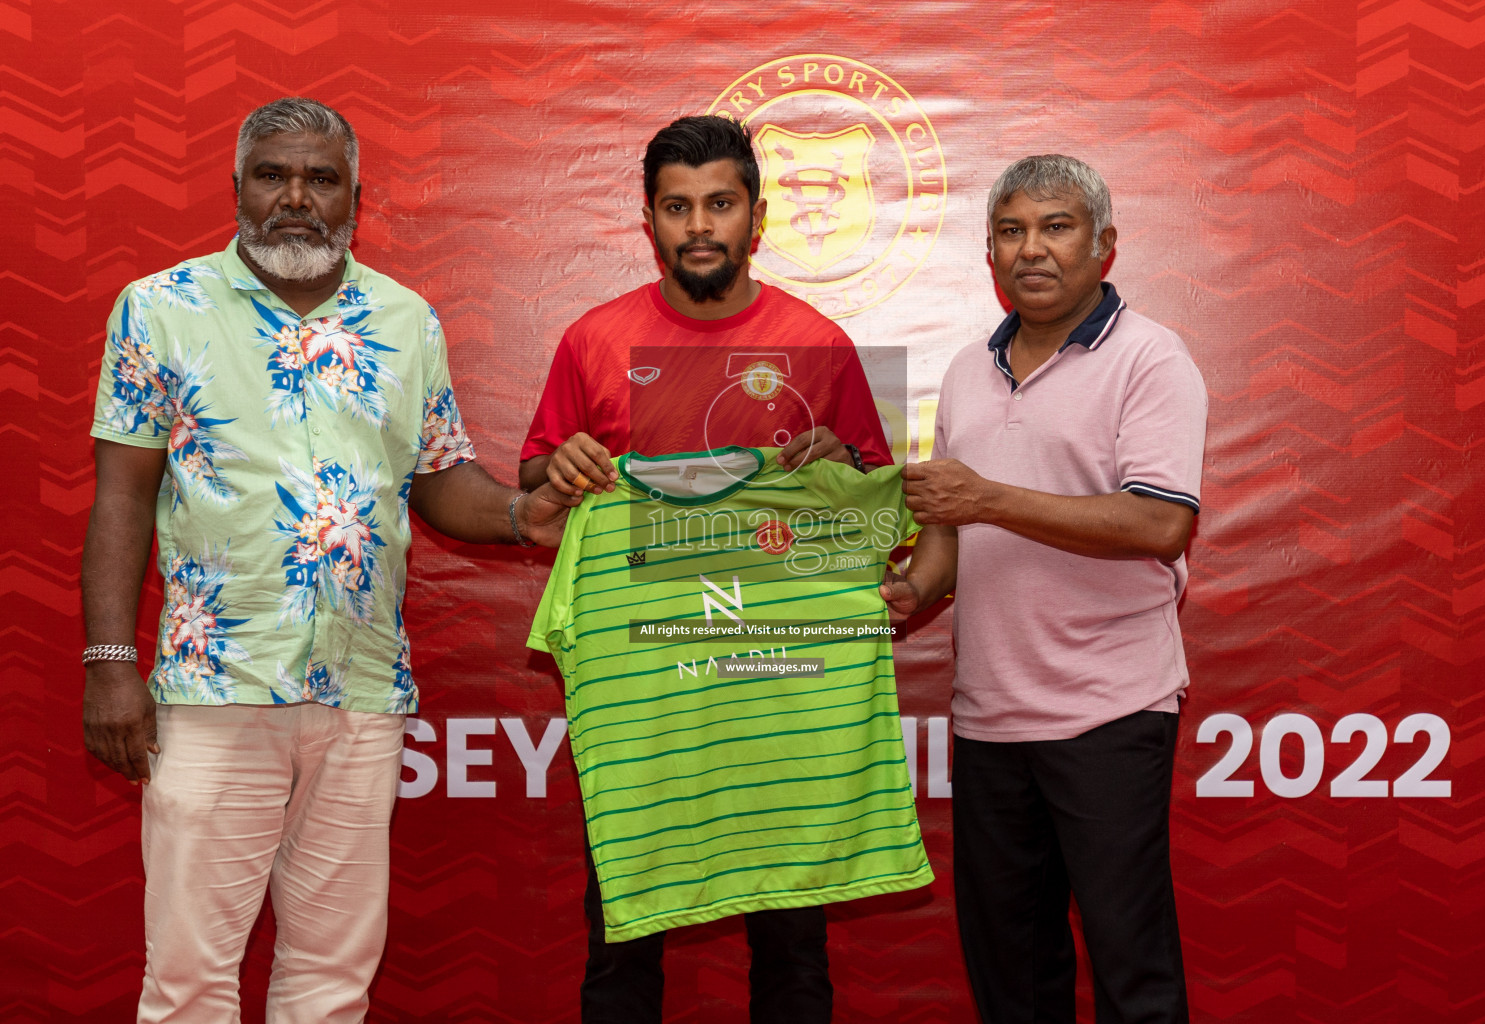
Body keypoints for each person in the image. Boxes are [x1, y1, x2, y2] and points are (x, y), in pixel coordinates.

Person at [80, 96, 575, 1024]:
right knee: (188, 983)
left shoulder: (406, 319)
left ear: (356, 195)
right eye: (273, 175)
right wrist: (111, 666)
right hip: (213, 688)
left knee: (332, 984)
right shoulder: (161, 309)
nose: (295, 197)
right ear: (238, 188)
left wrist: (518, 514)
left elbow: (437, 480)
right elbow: (121, 498)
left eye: (321, 177)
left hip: (359, 692)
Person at [519, 114, 894, 1024]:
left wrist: (837, 466)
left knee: (794, 950)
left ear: (756, 217)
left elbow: (879, 513)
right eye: (677, 207)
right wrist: (559, 469)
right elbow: (532, 481)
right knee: (621, 940)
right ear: (647, 220)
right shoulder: (592, 340)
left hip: (781, 685)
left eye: (719, 204)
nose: (699, 227)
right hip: (647, 691)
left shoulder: (819, 341)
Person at [882, 155, 1206, 1023]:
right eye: (1012, 230)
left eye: (1056, 227)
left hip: (1110, 713)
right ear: (988, 253)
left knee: (1132, 976)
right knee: (1014, 983)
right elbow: (948, 543)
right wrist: (910, 593)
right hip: (989, 720)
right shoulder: (963, 372)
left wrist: (986, 496)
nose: (1034, 250)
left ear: (1104, 245)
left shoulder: (1151, 358)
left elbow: (1158, 524)